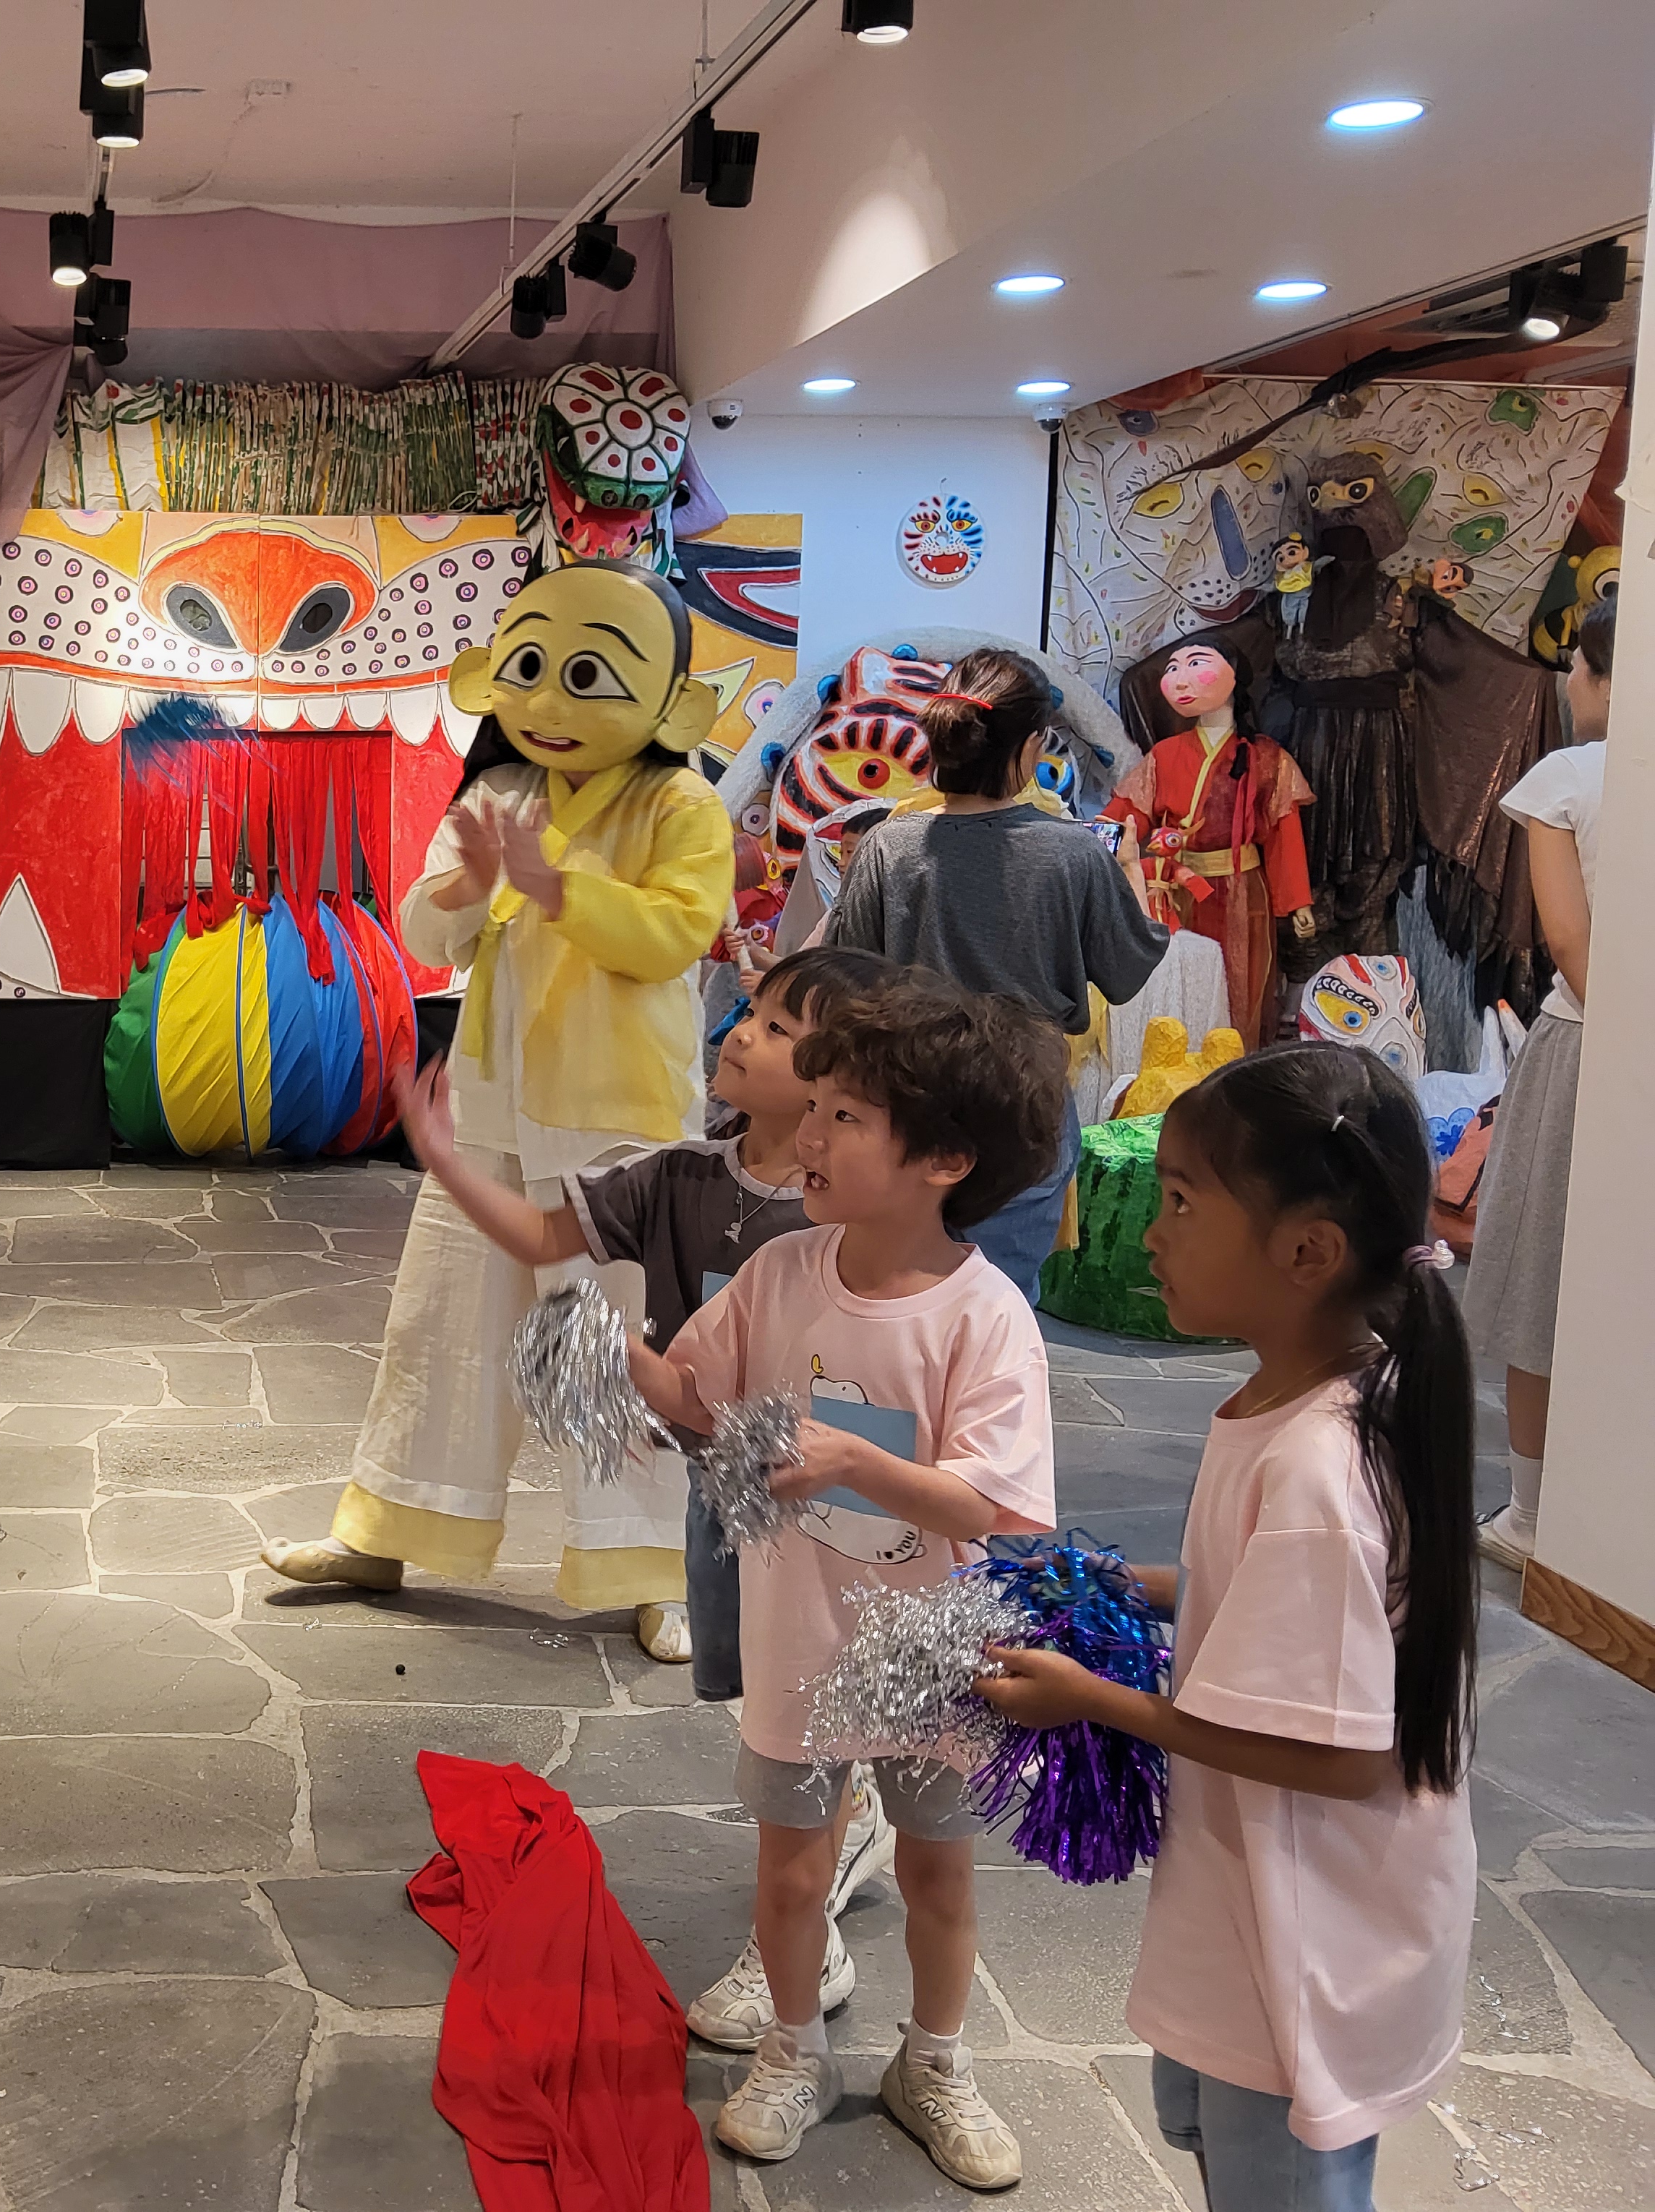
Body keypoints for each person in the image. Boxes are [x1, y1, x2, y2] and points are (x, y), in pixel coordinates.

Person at [983, 1042, 1478, 2210]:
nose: (1152, 1234)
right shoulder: (1305, 1397)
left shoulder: (1316, 1465)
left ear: (1307, 1252)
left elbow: (1341, 1755)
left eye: (1183, 1202)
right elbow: (1265, 1594)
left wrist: (1097, 1701)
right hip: (1267, 1891)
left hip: (1306, 1931)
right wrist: (1132, 1584)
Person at [639, 970, 1067, 2187]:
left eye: (844, 1117)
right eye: (814, 1107)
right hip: (799, 1642)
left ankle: (934, 2061)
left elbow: (989, 1504)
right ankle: (794, 2050)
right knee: (789, 1873)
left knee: (937, 1872)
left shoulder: (985, 1316)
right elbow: (698, 1396)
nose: (809, 1134)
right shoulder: (782, 1273)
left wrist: (853, 1461)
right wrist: (623, 1362)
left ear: (944, 1159)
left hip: (930, 1652)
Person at [261, 559, 732, 1657]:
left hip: (622, 1122)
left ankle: (655, 1568)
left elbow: (673, 937)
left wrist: (554, 882)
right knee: (442, 1331)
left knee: (615, 1346)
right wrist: (475, 884)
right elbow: (427, 935)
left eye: (587, 675)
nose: (550, 700)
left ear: (671, 704)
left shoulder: (682, 803)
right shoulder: (498, 794)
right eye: (531, 668)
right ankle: (386, 1530)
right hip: (490, 1112)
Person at [380, 943, 893, 1678]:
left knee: (837, 1661)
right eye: (750, 1012)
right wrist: (448, 1163)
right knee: (756, 1688)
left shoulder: (855, 1212)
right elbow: (545, 1235)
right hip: (717, 1494)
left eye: (778, 1029)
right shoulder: (679, 1175)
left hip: (830, 1506)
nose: (740, 1033)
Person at [829, 648, 1171, 1298]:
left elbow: (849, 978)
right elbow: (1127, 970)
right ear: (1030, 746)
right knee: (998, 1303)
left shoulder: (886, 847)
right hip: (1023, 1102)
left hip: (903, 1097)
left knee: (890, 1292)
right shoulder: (1072, 853)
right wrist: (1131, 870)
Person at [1468, 598, 1615, 1569]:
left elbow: (1568, 940)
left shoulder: (1569, 776)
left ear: (1607, 675)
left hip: (1585, 1047)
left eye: (1578, 664)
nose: (1567, 681)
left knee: (1542, 1273)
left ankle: (1530, 1513)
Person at [1100, 639, 1318, 1042]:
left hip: (1241, 893)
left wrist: (1297, 901)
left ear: (1235, 678)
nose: (1179, 678)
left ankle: (1231, 1064)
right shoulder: (1164, 754)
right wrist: (1095, 844)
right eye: (1172, 668)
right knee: (1176, 984)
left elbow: (1283, 835)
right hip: (1172, 894)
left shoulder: (1268, 758)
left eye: (1195, 663)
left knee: (1238, 986)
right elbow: (1127, 815)